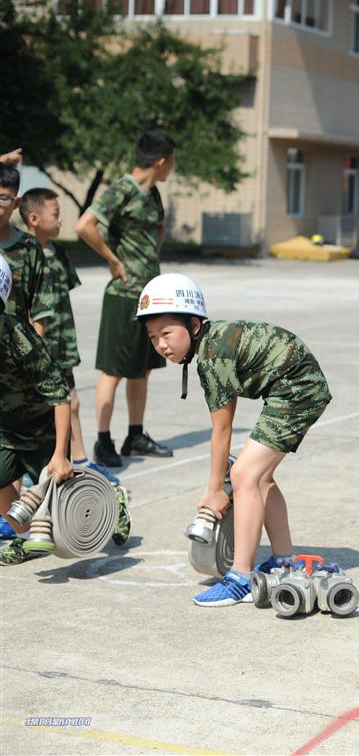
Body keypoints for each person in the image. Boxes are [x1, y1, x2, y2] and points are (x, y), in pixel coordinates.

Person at [136, 273, 333, 606]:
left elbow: (221, 430)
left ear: (194, 325)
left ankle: (240, 577)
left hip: (298, 389)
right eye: (153, 337)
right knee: (260, 476)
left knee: (243, 475)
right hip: (292, 387)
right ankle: (283, 561)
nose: (161, 345)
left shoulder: (214, 356)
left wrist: (215, 490)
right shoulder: (212, 344)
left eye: (167, 334)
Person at [75, 130, 177, 467]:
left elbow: (159, 229)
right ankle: (103, 441)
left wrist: (150, 259)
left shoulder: (152, 195)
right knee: (114, 370)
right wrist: (113, 259)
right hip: (123, 295)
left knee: (143, 368)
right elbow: (85, 225)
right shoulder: (122, 189)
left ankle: (136, 435)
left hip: (150, 295)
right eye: (171, 162)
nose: (171, 169)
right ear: (161, 161)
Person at [20, 189, 120, 485]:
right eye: (55, 214)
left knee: (71, 403)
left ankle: (80, 460)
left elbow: (62, 299)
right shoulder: (23, 253)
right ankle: (29, 469)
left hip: (63, 343)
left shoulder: (59, 253)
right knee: (38, 407)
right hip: (38, 345)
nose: (61, 219)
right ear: (34, 219)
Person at [0, 255, 77, 565]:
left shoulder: (19, 338)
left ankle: (114, 504)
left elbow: (60, 396)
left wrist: (60, 454)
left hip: (44, 429)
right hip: (7, 429)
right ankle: (22, 534)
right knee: (28, 527)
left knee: (67, 525)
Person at [0, 163, 46, 327]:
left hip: (15, 347)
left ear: (16, 202)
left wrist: (36, 350)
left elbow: (40, 310)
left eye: (3, 198)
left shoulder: (29, 247)